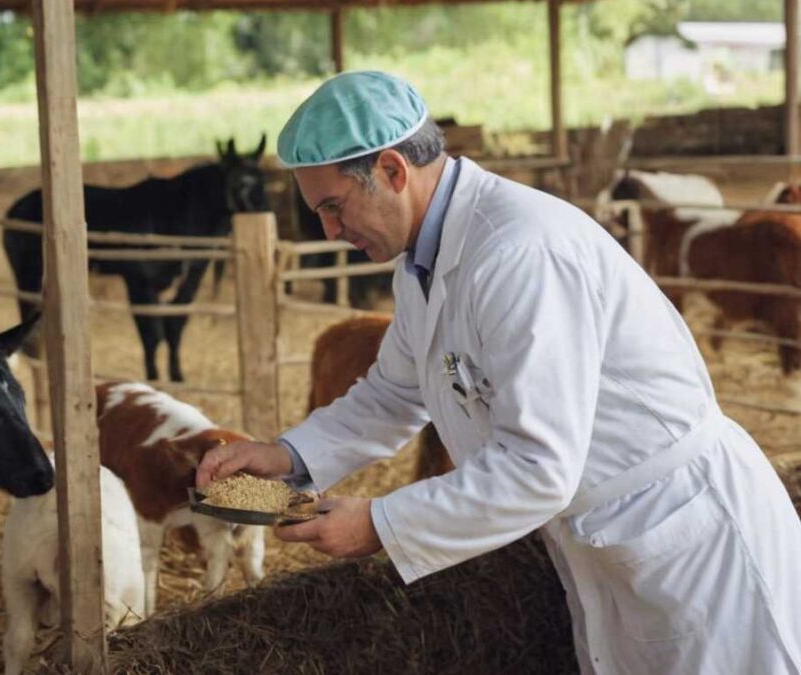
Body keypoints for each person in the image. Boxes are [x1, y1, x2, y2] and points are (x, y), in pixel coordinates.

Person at [196, 71, 801, 673]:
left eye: (333, 206)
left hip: (691, 540)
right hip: (616, 538)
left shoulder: (519, 252)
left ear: (392, 171)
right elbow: (393, 392)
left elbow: (539, 467)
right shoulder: (422, 264)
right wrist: (287, 457)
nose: (329, 230)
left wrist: (381, 523)